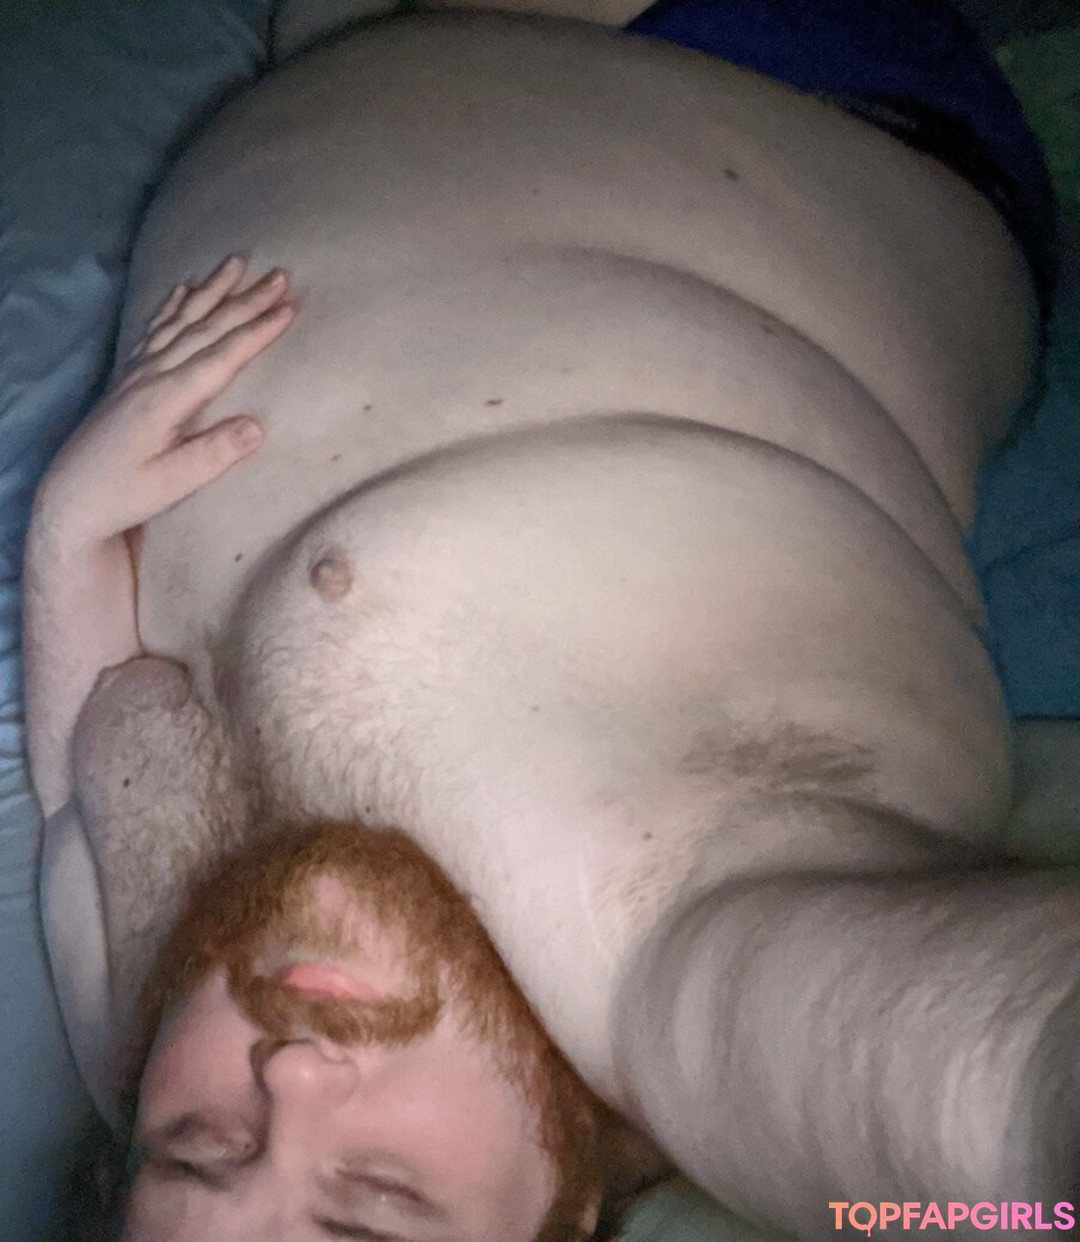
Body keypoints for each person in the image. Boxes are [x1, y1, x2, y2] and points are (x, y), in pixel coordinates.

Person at [24, 1, 1079, 1239]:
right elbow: (1005, 1098)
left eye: (199, 1150)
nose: (289, 1077)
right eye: (377, 1196)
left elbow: (82, 784)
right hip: (729, 74)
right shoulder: (666, 959)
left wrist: (65, 541)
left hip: (338, 67)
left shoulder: (128, 1034)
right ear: (570, 1217)